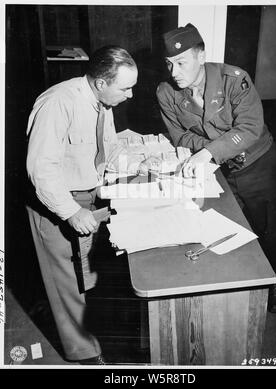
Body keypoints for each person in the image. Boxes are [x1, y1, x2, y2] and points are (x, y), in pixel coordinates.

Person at [156, 23, 276, 313]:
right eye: (169, 64)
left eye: (181, 62)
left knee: (269, 228)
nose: (174, 72)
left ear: (201, 57)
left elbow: (251, 127)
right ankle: (240, 286)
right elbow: (179, 136)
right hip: (220, 170)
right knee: (232, 227)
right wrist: (213, 152)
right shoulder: (166, 92)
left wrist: (208, 151)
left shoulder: (233, 79)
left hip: (259, 164)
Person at [26, 46, 146, 365]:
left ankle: (93, 335)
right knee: (65, 284)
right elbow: (41, 169)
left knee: (87, 272)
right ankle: (87, 356)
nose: (131, 95)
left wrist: (142, 163)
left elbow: (108, 148)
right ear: (100, 82)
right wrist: (70, 211)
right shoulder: (57, 103)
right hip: (58, 202)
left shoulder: (101, 102)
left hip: (88, 194)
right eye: (126, 88)